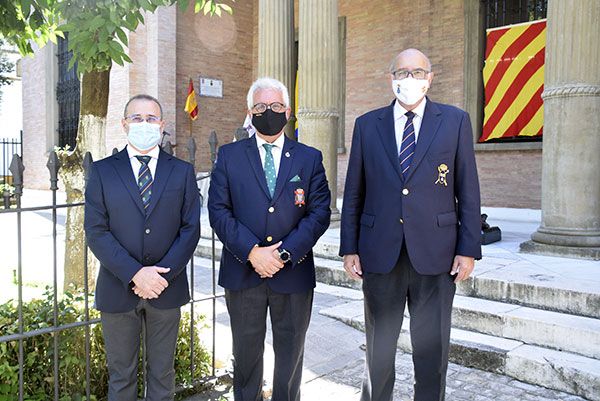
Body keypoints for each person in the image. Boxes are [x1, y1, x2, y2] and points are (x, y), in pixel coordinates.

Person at [340, 49, 481, 401]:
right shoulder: (367, 125)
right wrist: (349, 247)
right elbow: (354, 190)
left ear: (430, 78)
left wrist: (468, 249)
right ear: (391, 78)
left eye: (417, 71)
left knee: (431, 353)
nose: (409, 79)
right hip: (379, 255)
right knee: (379, 351)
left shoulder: (455, 121)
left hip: (436, 255)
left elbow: (467, 188)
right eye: (402, 72)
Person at [208, 77, 331, 401]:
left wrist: (284, 253)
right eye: (261, 107)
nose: (269, 112)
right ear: (250, 112)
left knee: (290, 358)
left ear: (288, 111)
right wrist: (252, 252)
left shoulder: (309, 158)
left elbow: (319, 212)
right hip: (243, 272)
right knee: (246, 359)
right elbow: (219, 210)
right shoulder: (229, 155)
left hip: (293, 273)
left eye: (276, 106)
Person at [84, 94, 201, 401]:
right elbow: (96, 232)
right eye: (137, 118)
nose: (144, 124)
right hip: (117, 289)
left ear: (161, 125)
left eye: (151, 118)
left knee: (163, 376)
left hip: (167, 288)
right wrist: (136, 274)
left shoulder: (182, 171)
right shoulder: (102, 171)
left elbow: (190, 230)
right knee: (121, 378)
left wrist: (160, 276)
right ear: (124, 124)